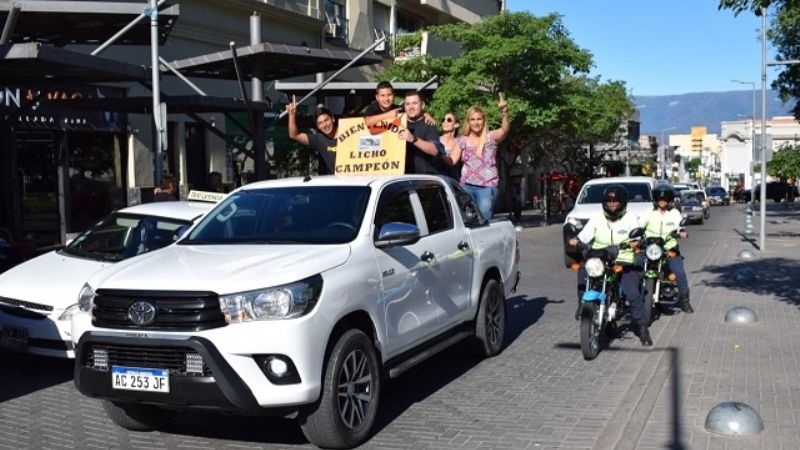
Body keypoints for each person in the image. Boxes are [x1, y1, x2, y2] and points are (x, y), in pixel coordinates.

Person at [568, 185, 652, 346]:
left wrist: (636, 242)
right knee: (583, 270)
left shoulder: (630, 218)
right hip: (600, 258)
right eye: (609, 202)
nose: (612, 205)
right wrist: (577, 241)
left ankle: (642, 328)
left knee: (632, 293)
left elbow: (638, 234)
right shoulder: (598, 218)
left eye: (616, 202)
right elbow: (585, 234)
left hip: (623, 259)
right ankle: (582, 304)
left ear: (623, 203)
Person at [449, 95, 510, 219]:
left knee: (483, 219)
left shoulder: (490, 137)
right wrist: (435, 152)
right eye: (472, 119)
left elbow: (505, 130)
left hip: (487, 187)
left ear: (483, 120)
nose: (476, 122)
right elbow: (451, 161)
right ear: (468, 121)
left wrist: (504, 112)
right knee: (467, 220)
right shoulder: (462, 140)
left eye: (479, 119)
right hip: (466, 186)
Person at [640, 184, 693, 313]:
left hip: (669, 249)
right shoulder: (648, 212)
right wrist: (636, 235)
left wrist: (681, 232)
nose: (662, 201)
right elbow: (639, 225)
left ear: (670, 200)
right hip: (651, 249)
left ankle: (685, 301)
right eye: (659, 198)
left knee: (679, 273)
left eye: (665, 199)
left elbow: (680, 226)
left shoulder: (674, 213)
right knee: (635, 270)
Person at [286, 96, 337, 175]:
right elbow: (294, 135)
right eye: (320, 123)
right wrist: (292, 114)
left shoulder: (348, 129)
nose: (324, 125)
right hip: (339, 183)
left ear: (333, 119)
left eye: (326, 120)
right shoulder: (319, 139)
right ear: (318, 127)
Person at [397, 91, 441, 174]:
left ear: (422, 105)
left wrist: (413, 139)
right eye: (407, 104)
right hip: (400, 179)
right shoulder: (397, 123)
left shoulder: (429, 124)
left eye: (414, 103)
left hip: (423, 178)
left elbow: (434, 150)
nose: (411, 107)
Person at [364, 81, 436, 128]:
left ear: (394, 96)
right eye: (382, 95)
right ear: (377, 97)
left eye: (389, 95)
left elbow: (412, 111)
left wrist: (426, 115)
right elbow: (368, 121)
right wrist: (388, 115)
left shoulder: (398, 109)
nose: (386, 98)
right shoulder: (373, 107)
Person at [438, 111, 462, 179]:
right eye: (443, 120)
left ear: (456, 124)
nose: (445, 122)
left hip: (453, 182)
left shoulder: (459, 142)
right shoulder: (435, 140)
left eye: (449, 120)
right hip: (437, 181)